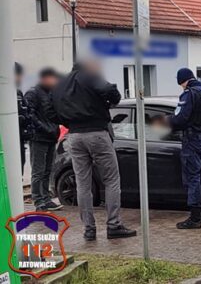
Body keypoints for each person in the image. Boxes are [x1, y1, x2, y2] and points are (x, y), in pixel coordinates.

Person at [51, 60, 136, 241]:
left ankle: (89, 230)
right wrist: (111, 101)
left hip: (74, 136)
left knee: (83, 184)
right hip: (97, 132)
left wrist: (68, 122)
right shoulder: (90, 77)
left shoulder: (59, 85)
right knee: (111, 179)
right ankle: (113, 225)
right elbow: (110, 90)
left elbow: (50, 110)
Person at [169, 68, 201, 229]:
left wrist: (168, 121)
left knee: (193, 178)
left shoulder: (189, 94)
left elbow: (180, 118)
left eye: (180, 84)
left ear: (182, 81)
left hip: (191, 140)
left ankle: (195, 218)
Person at [25, 68, 63, 212]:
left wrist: (55, 129)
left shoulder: (51, 93)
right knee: (38, 171)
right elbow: (30, 115)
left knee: (48, 170)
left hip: (51, 136)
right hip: (39, 137)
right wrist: (44, 128)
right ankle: (38, 201)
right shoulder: (33, 93)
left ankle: (46, 199)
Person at [15, 62, 32, 175]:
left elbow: (27, 111)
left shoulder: (18, 93)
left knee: (19, 165)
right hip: (9, 139)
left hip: (20, 137)